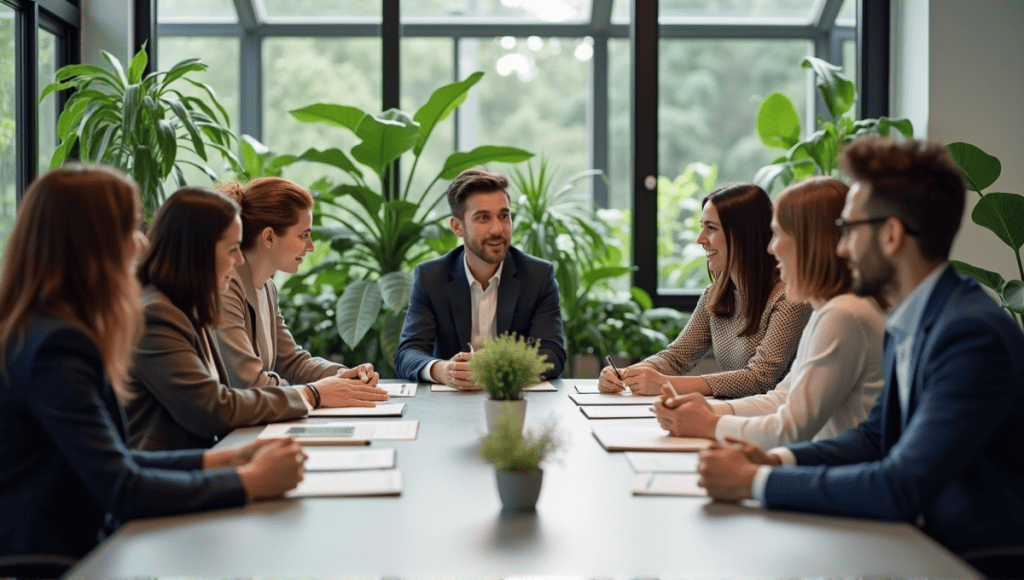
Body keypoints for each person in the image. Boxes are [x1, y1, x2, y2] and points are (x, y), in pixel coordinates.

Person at [696, 136, 1024, 559]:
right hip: (917, 541)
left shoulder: (970, 334)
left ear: (890, 235)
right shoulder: (915, 318)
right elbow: (874, 439)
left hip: (970, 559)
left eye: (848, 230)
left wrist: (753, 483)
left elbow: (900, 484)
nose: (840, 247)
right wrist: (773, 462)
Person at [0, 165, 305, 566]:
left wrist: (226, 459)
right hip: (51, 562)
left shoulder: (46, 330)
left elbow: (116, 459)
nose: (141, 242)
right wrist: (248, 481)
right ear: (92, 243)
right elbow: (121, 488)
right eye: (129, 228)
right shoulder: (58, 346)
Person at [123, 187, 387, 451]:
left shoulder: (187, 304)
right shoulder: (159, 313)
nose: (239, 259)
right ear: (199, 249)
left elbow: (288, 360)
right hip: (165, 472)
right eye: (232, 249)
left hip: (199, 458)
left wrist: (339, 379)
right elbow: (216, 407)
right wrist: (313, 394)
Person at [653, 177, 885, 449]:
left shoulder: (843, 314)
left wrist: (709, 423)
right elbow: (781, 399)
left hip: (839, 473)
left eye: (778, 234)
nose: (771, 247)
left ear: (810, 242)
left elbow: (790, 429)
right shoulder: (830, 310)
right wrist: (707, 411)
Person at [600, 183, 810, 398]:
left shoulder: (788, 297)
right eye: (702, 226)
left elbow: (760, 379)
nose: (700, 239)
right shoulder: (715, 294)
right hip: (734, 415)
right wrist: (626, 375)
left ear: (744, 234)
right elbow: (675, 357)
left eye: (711, 228)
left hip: (775, 422)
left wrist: (666, 385)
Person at [394, 167, 566, 389]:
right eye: (483, 218)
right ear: (457, 226)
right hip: (450, 405)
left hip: (515, 402)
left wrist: (494, 367)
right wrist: (444, 370)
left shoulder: (538, 275)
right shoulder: (431, 277)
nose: (497, 229)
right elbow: (408, 353)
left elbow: (552, 353)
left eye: (504, 216)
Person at [216, 177, 381, 392]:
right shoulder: (226, 287)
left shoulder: (267, 287)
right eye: (304, 235)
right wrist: (316, 393)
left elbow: (292, 361)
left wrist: (343, 375)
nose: (311, 246)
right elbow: (248, 382)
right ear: (268, 237)